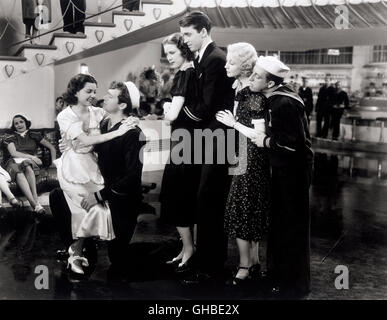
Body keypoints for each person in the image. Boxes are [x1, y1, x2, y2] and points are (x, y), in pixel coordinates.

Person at [52, 74, 136, 275]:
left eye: (95, 91)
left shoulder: (97, 112)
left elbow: (118, 116)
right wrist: (118, 132)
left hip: (92, 166)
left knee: (97, 209)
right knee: (82, 210)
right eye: (88, 91)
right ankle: (76, 254)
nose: (93, 95)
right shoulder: (65, 115)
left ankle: (76, 249)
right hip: (72, 166)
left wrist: (132, 118)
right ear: (75, 92)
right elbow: (87, 140)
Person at [178, 11, 235, 283]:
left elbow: (207, 105)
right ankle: (207, 261)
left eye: (189, 34)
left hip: (219, 138)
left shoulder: (215, 59)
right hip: (209, 136)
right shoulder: (205, 58)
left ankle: (211, 266)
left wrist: (179, 117)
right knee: (205, 199)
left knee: (210, 200)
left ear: (203, 31)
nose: (185, 40)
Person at [251, 56, 313, 297]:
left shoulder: (282, 104)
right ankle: (280, 276)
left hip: (293, 172)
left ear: (269, 84)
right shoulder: (279, 96)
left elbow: (292, 145)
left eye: (257, 76)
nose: (252, 78)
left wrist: (265, 140)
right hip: (286, 170)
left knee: (290, 227)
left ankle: (293, 284)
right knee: (281, 225)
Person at [216, 43, 270, 285]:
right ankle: (253, 263)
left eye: (231, 62)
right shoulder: (242, 90)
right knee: (248, 209)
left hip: (250, 158)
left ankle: (245, 266)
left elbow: (260, 135)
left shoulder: (253, 95)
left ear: (244, 66)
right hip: (242, 155)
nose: (226, 65)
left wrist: (233, 123)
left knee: (241, 209)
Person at [158, 33, 201, 271]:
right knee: (184, 196)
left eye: (172, 52)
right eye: (166, 54)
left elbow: (171, 116)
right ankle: (187, 248)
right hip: (190, 142)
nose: (169, 58)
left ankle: (189, 248)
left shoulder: (185, 74)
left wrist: (166, 109)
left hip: (184, 144)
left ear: (184, 50)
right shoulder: (192, 72)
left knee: (178, 197)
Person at [4, 114, 57, 214]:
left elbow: (52, 147)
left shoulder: (34, 135)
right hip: (14, 162)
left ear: (26, 123)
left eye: (21, 122)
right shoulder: (10, 137)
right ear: (14, 126)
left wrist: (53, 162)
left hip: (28, 163)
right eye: (16, 123)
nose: (19, 125)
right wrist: (32, 157)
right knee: (18, 172)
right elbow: (13, 153)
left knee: (27, 165)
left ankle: (35, 198)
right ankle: (35, 204)